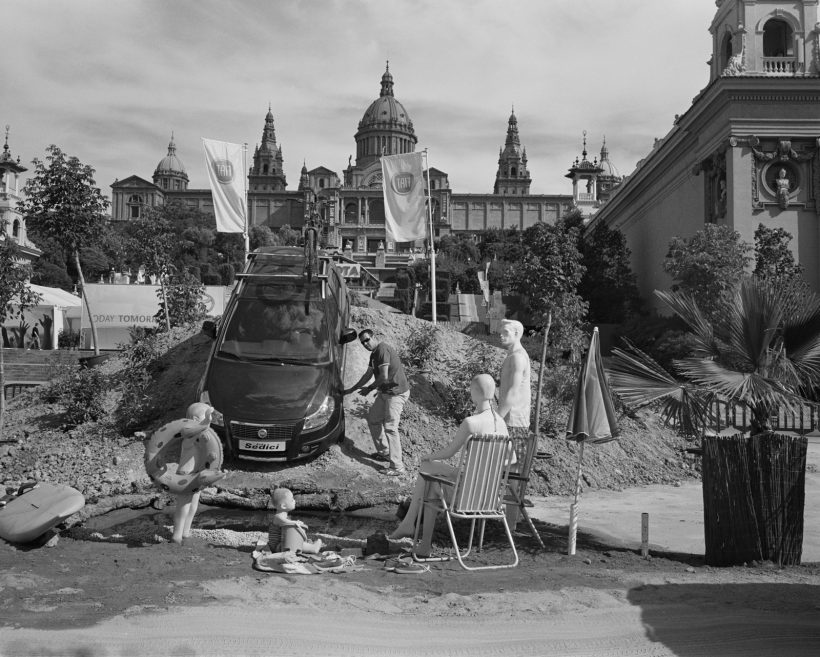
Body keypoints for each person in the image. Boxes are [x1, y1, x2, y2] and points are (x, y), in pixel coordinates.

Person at [389, 374, 508, 557]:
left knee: (429, 479)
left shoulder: (471, 423)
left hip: (467, 498)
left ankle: (413, 530)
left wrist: (427, 456)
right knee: (430, 473)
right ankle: (413, 531)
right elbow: (508, 461)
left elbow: (449, 453)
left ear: (474, 393)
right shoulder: (502, 424)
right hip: (490, 498)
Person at [343, 329, 411, 475]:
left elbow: (383, 376)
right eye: (362, 342)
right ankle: (385, 452)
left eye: (367, 340)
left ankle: (397, 467)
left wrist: (369, 389)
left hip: (396, 393)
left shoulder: (382, 350)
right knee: (373, 419)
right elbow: (368, 374)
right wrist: (351, 389)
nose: (365, 344)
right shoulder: (373, 355)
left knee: (391, 428)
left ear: (374, 337)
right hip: (385, 393)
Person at [497, 319, 531, 527]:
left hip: (514, 422)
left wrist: (496, 419)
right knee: (509, 473)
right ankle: (510, 521)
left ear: (517, 334)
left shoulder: (518, 358)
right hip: (512, 421)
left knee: (512, 475)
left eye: (506, 332)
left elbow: (512, 393)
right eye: (500, 332)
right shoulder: (513, 356)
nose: (501, 335)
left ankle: (511, 524)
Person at [267, 488, 323, 554]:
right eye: (292, 500)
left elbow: (288, 524)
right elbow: (287, 523)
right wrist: (295, 522)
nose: (294, 501)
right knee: (295, 543)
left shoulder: (284, 517)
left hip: (282, 543)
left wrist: (295, 522)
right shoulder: (278, 517)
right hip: (277, 547)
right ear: (283, 506)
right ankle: (312, 548)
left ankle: (309, 545)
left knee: (296, 540)